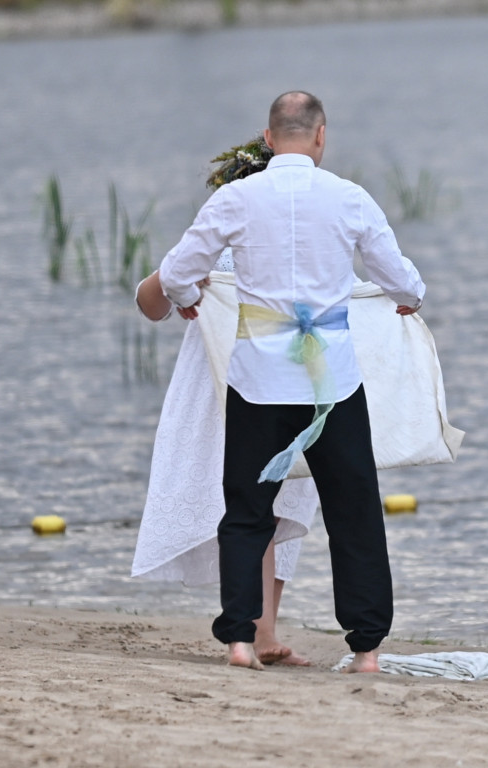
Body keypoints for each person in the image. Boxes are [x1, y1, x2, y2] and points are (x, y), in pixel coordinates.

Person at [156, 91, 426, 672]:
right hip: (332, 383)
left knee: (247, 510)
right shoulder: (350, 198)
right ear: (321, 136)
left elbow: (180, 271)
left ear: (269, 137)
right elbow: (398, 276)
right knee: (353, 511)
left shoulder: (236, 198)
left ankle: (239, 641)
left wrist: (185, 301)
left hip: (257, 379)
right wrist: (409, 299)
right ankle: (367, 650)